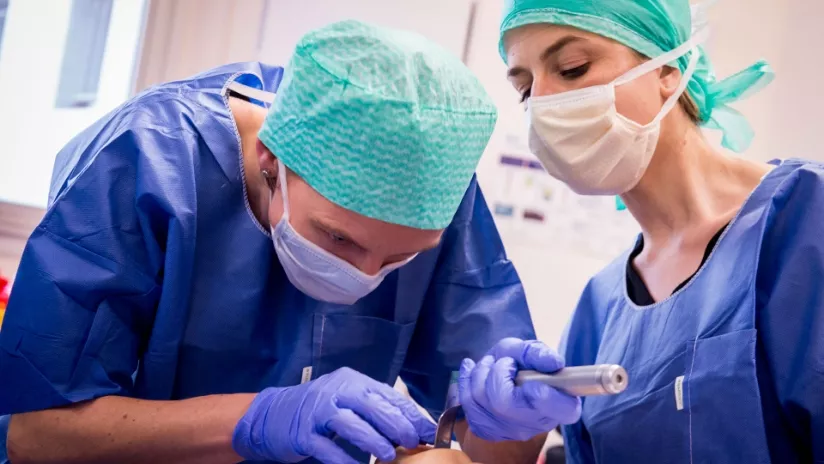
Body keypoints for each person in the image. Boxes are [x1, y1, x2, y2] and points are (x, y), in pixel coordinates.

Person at [0, 20, 578, 464]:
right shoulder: (148, 163)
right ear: (269, 160)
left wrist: (515, 422)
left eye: (401, 258)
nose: (366, 277)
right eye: (338, 238)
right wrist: (253, 418)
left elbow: (488, 452)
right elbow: (30, 434)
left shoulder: (432, 194)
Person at [483, 0, 824, 462]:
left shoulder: (805, 219)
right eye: (524, 90)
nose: (543, 104)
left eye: (571, 68)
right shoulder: (599, 310)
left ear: (666, 68)